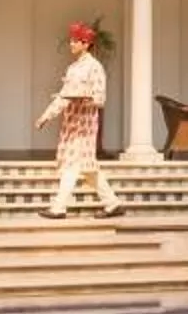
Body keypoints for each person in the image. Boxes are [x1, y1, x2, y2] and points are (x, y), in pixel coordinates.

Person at [35, 22, 124, 217]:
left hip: (85, 125)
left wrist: (85, 97)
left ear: (86, 44)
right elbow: (63, 95)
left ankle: (58, 207)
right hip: (71, 123)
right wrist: (46, 116)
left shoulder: (95, 67)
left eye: (75, 41)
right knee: (88, 167)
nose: (71, 45)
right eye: (72, 41)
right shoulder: (73, 68)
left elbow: (100, 98)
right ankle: (113, 203)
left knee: (72, 165)